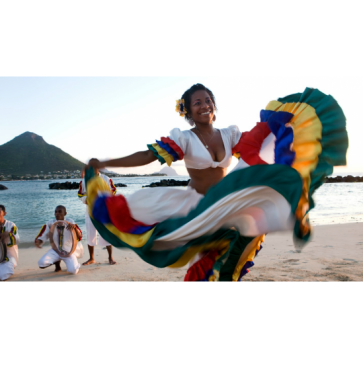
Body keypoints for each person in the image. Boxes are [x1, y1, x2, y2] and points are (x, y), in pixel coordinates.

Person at [84, 84, 349, 282]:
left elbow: (255, 146)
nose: (204, 105)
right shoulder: (184, 138)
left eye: (208, 100)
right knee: (207, 254)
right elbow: (147, 156)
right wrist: (106, 163)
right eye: (197, 102)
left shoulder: (229, 134)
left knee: (234, 246)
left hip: (227, 203)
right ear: (188, 110)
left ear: (214, 105)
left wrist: (284, 130)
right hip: (195, 207)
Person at [78, 160, 117, 265]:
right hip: (90, 212)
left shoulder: (106, 179)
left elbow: (113, 190)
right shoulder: (84, 181)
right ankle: (91, 258)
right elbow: (80, 194)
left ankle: (110, 257)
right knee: (90, 234)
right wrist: (85, 199)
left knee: (106, 233)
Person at [35, 205, 84, 275]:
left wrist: (74, 228)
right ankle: (57, 263)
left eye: (60, 212)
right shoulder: (50, 223)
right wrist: (39, 241)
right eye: (56, 212)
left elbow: (80, 235)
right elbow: (44, 233)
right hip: (56, 250)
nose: (57, 214)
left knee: (73, 271)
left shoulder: (70, 222)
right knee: (41, 264)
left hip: (68, 251)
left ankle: (71, 262)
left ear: (65, 213)